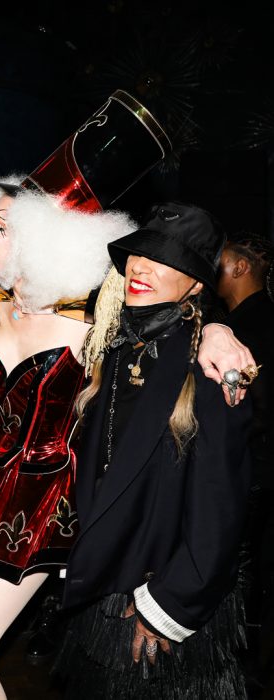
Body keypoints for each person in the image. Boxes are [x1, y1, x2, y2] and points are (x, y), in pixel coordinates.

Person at [0, 176, 136, 699]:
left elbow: (172, 322)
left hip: (42, 503)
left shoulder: (94, 323)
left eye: (2, 228)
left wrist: (217, 334)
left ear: (43, 241)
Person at [56, 201, 254, 698]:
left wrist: (169, 603)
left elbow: (221, 505)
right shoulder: (117, 349)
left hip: (157, 596)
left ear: (196, 285)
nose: (141, 268)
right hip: (104, 583)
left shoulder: (212, 370)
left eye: (166, 260)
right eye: (139, 254)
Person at [217, 231, 274, 690]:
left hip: (254, 467)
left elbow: (259, 410)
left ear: (241, 268)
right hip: (255, 464)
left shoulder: (252, 327)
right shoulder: (240, 321)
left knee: (244, 565)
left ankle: (242, 664)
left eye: (221, 260)